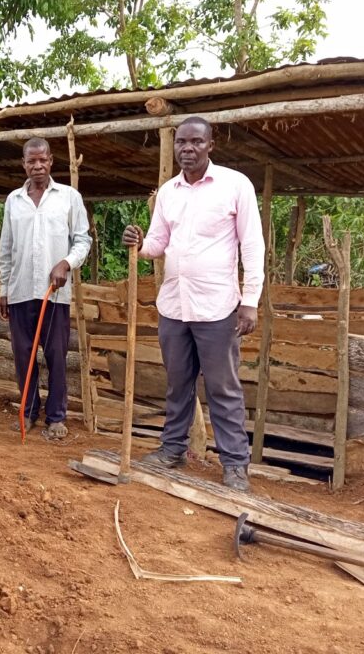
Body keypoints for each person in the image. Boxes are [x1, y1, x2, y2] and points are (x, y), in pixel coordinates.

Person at [122, 117, 264, 492]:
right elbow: (158, 242)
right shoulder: (169, 192)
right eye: (181, 142)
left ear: (210, 145)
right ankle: (173, 450)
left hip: (217, 307)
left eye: (196, 142)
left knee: (223, 388)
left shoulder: (235, 186)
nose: (188, 148)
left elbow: (252, 245)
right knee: (178, 383)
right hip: (174, 305)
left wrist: (250, 301)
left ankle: (235, 464)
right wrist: (138, 243)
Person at [0, 138, 91, 441]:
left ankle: (56, 417)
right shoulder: (14, 200)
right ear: (23, 163)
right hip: (21, 291)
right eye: (31, 161)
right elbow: (7, 248)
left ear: (51, 161)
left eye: (43, 160)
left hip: (55, 294)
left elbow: (82, 240)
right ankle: (28, 412)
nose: (37, 166)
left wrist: (65, 263)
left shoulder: (68, 197)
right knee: (24, 357)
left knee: (56, 356)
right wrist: (3, 289)